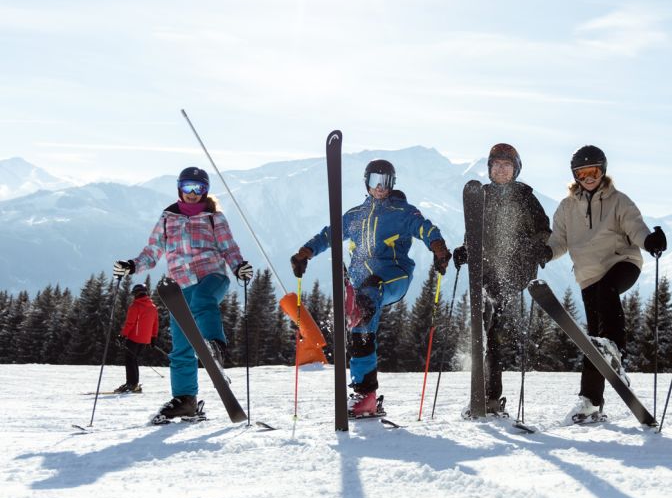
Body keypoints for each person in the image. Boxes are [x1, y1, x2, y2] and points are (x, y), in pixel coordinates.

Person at [290, 159, 451, 417]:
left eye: (385, 181)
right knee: (360, 324)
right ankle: (366, 395)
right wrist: (305, 253)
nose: (379, 187)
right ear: (366, 182)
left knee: (366, 297)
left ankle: (365, 391)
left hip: (393, 278)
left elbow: (425, 228)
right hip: (362, 286)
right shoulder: (354, 216)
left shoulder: (402, 212)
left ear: (392, 184)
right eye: (375, 180)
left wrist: (438, 247)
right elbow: (328, 235)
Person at [113, 167, 253, 421]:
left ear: (205, 191)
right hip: (180, 287)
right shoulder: (167, 218)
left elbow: (228, 247)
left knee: (202, 300)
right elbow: (153, 251)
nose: (192, 193)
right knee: (180, 346)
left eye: (198, 188)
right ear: (179, 188)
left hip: (212, 277)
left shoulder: (214, 218)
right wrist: (132, 265)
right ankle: (185, 399)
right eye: (188, 187)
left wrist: (238, 267)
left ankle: (214, 347)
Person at [546, 145, 667, 423]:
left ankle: (617, 348)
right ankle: (590, 401)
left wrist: (650, 242)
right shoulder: (566, 207)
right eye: (583, 173)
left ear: (603, 171)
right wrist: (545, 252)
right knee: (593, 341)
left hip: (621, 263)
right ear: (575, 175)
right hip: (588, 275)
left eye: (594, 171)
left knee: (607, 292)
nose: (589, 177)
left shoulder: (618, 200)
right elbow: (558, 241)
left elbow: (635, 226)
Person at [452, 143, 551, 416]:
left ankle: (489, 396)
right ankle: (487, 397)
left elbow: (544, 229)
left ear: (515, 170)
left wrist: (539, 247)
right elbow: (473, 233)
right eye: (496, 165)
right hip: (486, 270)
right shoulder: (481, 195)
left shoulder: (525, 197)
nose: (501, 169)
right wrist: (465, 250)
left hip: (515, 268)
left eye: (507, 165)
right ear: (490, 169)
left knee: (490, 321)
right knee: (487, 330)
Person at [113, 283, 159, 394]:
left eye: (134, 294)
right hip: (145, 339)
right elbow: (155, 323)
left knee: (130, 360)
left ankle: (131, 384)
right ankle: (133, 384)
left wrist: (122, 335)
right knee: (133, 359)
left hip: (134, 338)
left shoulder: (135, 306)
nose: (134, 296)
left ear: (137, 293)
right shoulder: (153, 307)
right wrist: (153, 337)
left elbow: (130, 323)